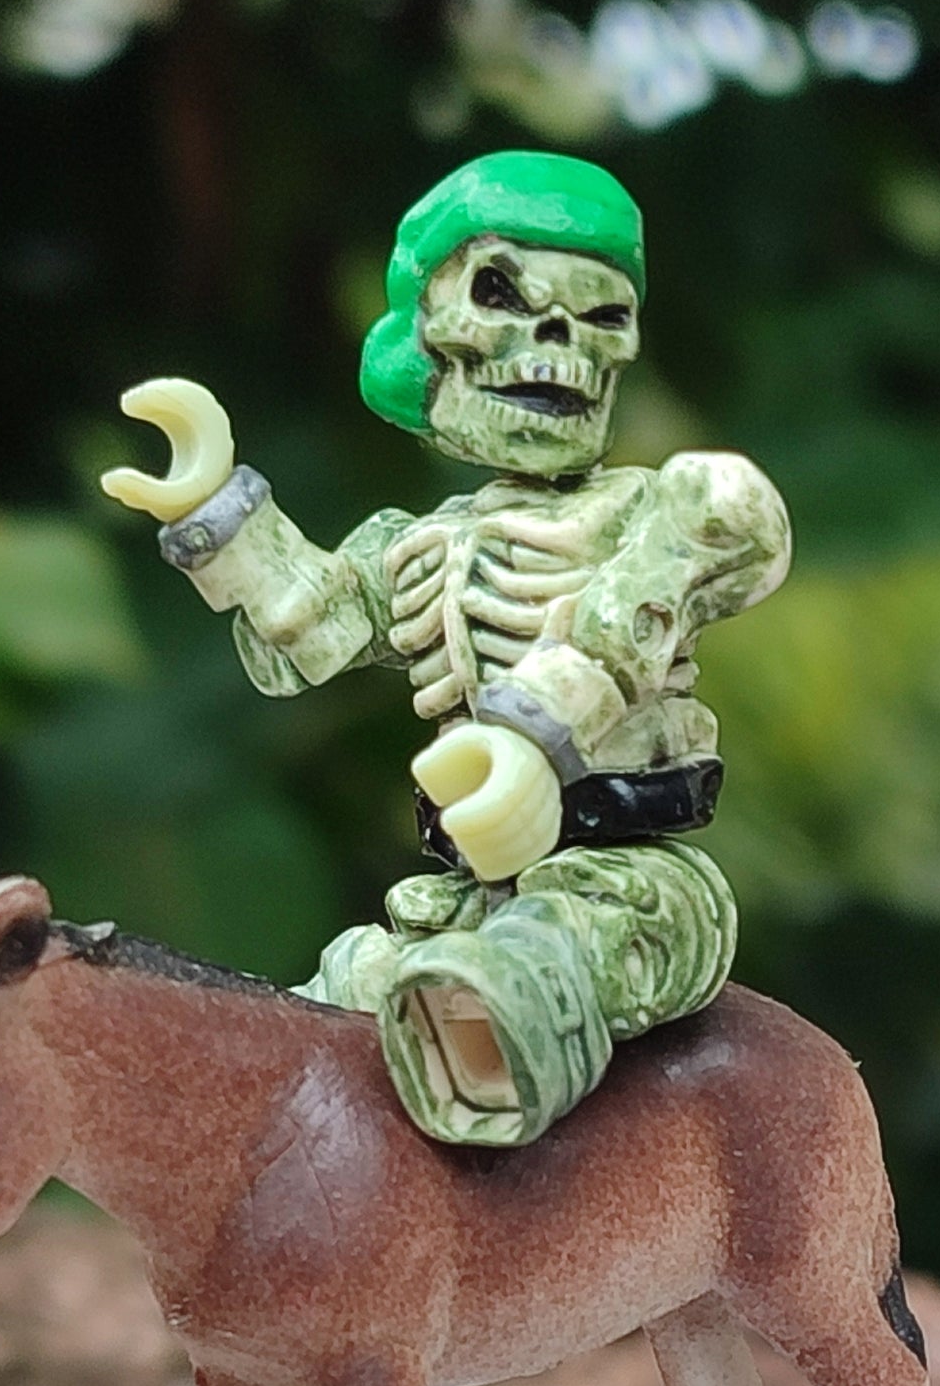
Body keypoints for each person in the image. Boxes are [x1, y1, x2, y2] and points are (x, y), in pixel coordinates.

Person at [101, 151, 788, 1147]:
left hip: (627, 889)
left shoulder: (654, 511)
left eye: (601, 316)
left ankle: (532, 1241)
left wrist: (542, 723)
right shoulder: (420, 543)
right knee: (329, 1002)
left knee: (508, 987)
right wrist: (213, 506)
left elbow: (731, 518)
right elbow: (315, 624)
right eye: (504, 298)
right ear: (430, 334)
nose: (557, 341)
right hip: (465, 891)